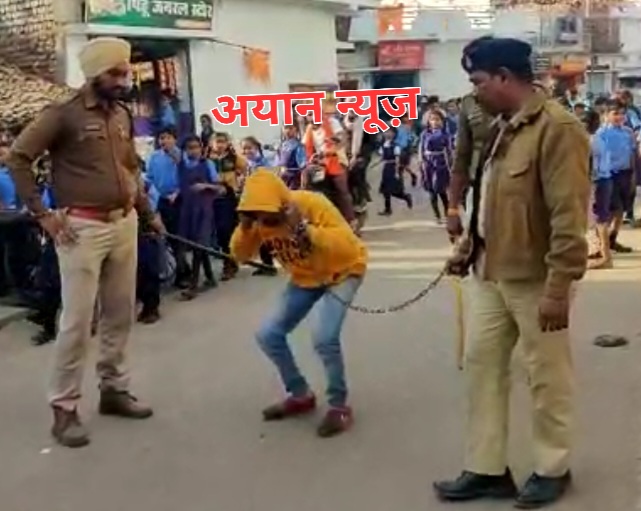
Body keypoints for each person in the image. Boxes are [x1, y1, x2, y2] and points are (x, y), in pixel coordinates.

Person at [436, 37, 590, 509]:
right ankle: (487, 468)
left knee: (546, 376)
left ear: (505, 77)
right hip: (490, 271)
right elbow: (490, 200)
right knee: (482, 366)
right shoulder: (501, 126)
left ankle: (552, 468)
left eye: (479, 81)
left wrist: (558, 288)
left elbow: (569, 217)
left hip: (536, 279)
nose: (475, 91)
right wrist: (469, 245)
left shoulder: (558, 130)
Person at [6, 37, 165, 448]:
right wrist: (43, 214)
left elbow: (130, 170)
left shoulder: (121, 115)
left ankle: (113, 389)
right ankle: (64, 407)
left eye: (126, 72)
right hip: (81, 229)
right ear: (94, 74)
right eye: (115, 73)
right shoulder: (62, 114)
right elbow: (18, 158)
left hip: (124, 222)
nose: (124, 80)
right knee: (77, 323)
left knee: (120, 314)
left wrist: (148, 213)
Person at [230, 170, 367, 438]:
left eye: (270, 215)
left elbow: (348, 246)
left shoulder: (311, 203)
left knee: (324, 338)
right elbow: (239, 255)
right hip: (305, 278)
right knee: (268, 335)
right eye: (258, 216)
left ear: (282, 204)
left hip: (343, 271)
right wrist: (244, 229)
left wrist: (304, 229)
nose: (265, 222)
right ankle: (300, 394)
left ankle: (339, 406)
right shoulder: (257, 220)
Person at [589, 99, 636, 269]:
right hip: (608, 175)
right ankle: (601, 246)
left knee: (621, 210)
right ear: (606, 115)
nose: (619, 117)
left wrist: (633, 175)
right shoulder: (601, 134)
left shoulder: (628, 132)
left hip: (625, 174)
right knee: (607, 212)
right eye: (615, 113)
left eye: (622, 114)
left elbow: (631, 153)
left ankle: (612, 239)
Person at [176, 135, 222, 300]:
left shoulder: (207, 164)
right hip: (187, 210)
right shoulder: (181, 166)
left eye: (196, 147)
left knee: (199, 245)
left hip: (204, 210)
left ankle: (193, 286)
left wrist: (205, 186)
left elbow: (220, 188)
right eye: (189, 148)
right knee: (192, 244)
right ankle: (209, 278)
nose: (193, 151)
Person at [146, 127, 190, 287]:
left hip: (178, 200)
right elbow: (150, 179)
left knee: (178, 238)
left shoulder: (182, 156)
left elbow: (187, 177)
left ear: (175, 139)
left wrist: (177, 192)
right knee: (166, 237)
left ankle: (183, 274)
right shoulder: (154, 157)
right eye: (161, 138)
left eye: (168, 138)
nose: (164, 141)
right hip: (161, 201)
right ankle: (181, 269)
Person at [209, 132, 246, 280]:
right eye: (217, 142)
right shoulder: (207, 159)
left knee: (227, 230)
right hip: (212, 197)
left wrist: (240, 181)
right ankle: (229, 260)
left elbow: (245, 171)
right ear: (211, 143)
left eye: (222, 142)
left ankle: (230, 263)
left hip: (229, 198)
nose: (220, 145)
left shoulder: (234, 158)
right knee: (218, 233)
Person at [241, 136, 278, 276]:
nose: (247, 151)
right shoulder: (249, 164)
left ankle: (270, 264)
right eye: (244, 148)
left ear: (257, 148)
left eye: (249, 148)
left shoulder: (264, 163)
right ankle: (267, 264)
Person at [136, 175, 162, 323]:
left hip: (146, 231)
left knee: (148, 271)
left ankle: (152, 308)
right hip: (132, 232)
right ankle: (146, 307)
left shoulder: (142, 183)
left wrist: (156, 224)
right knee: (138, 273)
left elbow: (148, 205)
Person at [419, 110, 452, 223]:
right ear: (428, 121)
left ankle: (447, 214)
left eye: (437, 119)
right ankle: (437, 215)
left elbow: (449, 150)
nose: (435, 122)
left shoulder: (445, 134)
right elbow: (421, 149)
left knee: (441, 190)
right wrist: (421, 162)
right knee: (431, 192)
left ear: (442, 121)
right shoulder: (425, 134)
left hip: (440, 163)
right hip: (428, 164)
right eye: (432, 119)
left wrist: (451, 165)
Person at [378, 128, 412, 216]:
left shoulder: (395, 146)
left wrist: (396, 171)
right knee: (386, 191)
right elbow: (381, 157)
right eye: (386, 132)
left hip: (393, 167)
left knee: (394, 190)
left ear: (394, 134)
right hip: (386, 168)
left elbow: (397, 159)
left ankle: (406, 197)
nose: (387, 134)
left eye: (390, 132)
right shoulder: (383, 145)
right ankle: (387, 209)